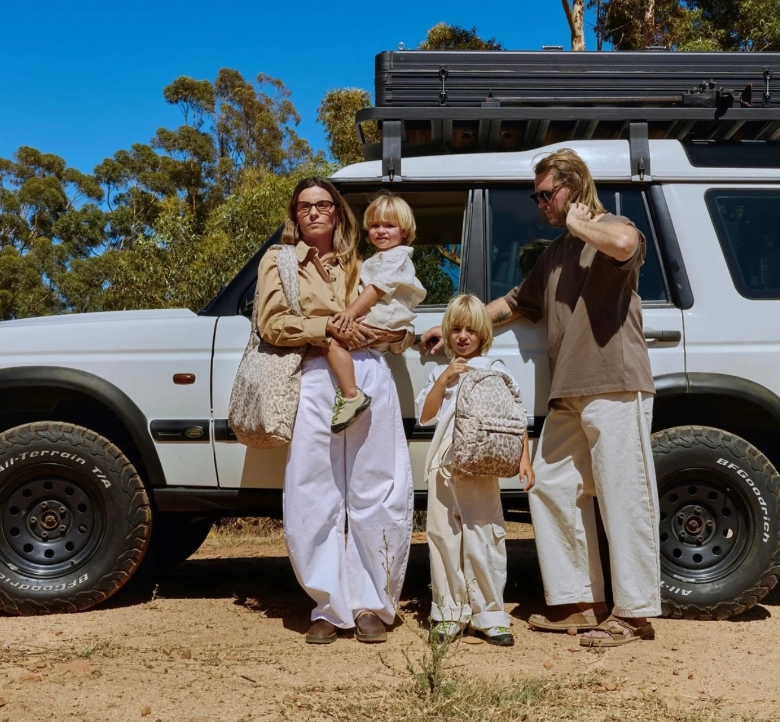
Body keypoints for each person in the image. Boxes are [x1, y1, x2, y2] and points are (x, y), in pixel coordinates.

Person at [422, 149, 660, 648]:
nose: (539, 205)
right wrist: (456, 329)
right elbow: (511, 304)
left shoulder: (611, 228)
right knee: (549, 486)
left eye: (546, 194)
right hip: (568, 390)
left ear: (573, 188)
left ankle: (634, 612)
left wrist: (579, 223)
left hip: (615, 383)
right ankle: (580, 602)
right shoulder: (553, 256)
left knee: (624, 495)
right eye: (537, 196)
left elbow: (622, 243)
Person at [256, 176, 416, 645]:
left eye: (323, 204)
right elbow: (272, 323)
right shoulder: (279, 261)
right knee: (314, 489)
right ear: (295, 213)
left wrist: (392, 337)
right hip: (314, 375)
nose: (314, 212)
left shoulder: (362, 262)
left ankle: (371, 602)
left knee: (377, 487)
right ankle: (327, 604)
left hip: (371, 371)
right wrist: (331, 327)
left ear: (337, 211)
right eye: (305, 206)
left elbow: (397, 313)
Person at [414, 294, 535, 647]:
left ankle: (490, 615)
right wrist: (444, 379)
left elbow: (515, 419)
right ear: (447, 334)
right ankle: (449, 614)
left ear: (483, 333)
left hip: (482, 468)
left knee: (485, 537)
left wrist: (523, 459)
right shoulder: (440, 371)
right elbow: (425, 416)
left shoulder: (496, 368)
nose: (463, 336)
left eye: (471, 329)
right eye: (456, 330)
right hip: (444, 466)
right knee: (443, 539)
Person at [326, 194, 427, 432]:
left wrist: (350, 312)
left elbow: (377, 288)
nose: (381, 231)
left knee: (330, 340)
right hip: (383, 319)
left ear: (404, 231)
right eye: (374, 226)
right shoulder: (380, 257)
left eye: (389, 226)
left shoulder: (398, 256)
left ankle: (351, 396)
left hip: (385, 317)